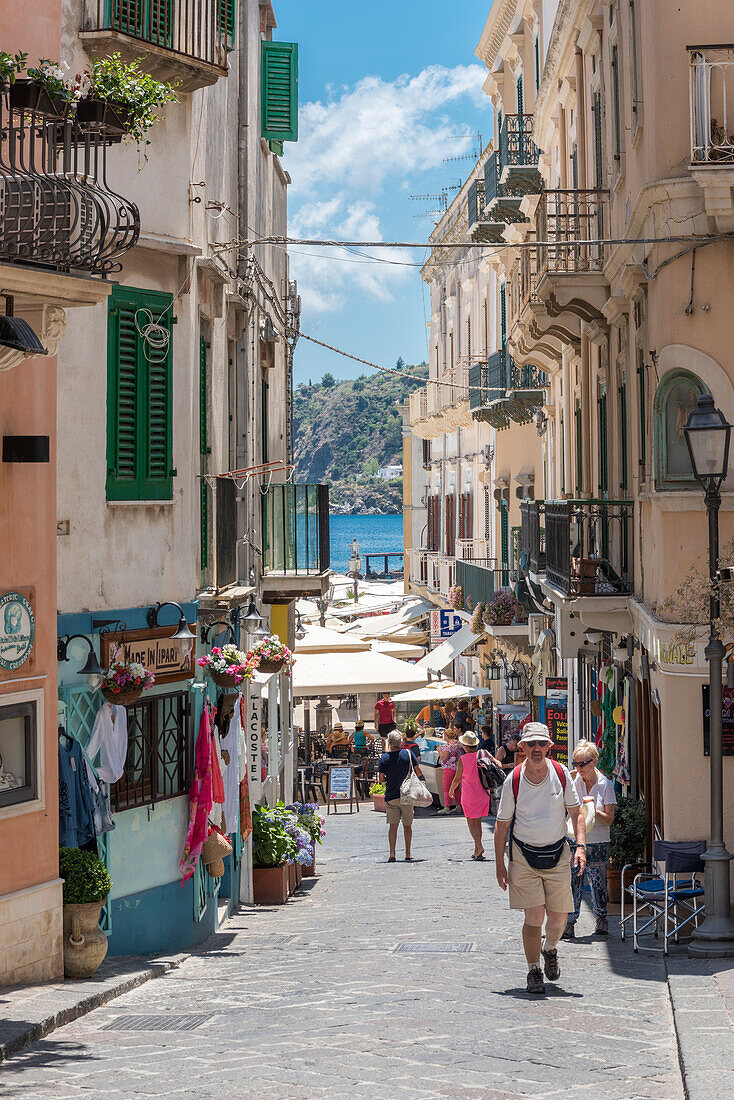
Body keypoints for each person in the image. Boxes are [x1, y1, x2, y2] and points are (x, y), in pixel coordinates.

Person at [494, 723, 585, 996]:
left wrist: (580, 846)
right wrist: (500, 863)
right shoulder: (515, 779)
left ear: (549, 746)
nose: (536, 749)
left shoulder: (560, 775)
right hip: (523, 854)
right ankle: (534, 970)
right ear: (522, 747)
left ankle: (550, 948)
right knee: (534, 915)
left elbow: (577, 813)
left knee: (558, 919)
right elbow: (501, 825)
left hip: (557, 853)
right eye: (531, 744)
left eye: (541, 744)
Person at [563, 739, 617, 939]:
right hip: (575, 839)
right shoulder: (572, 781)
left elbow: (610, 819)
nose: (579, 768)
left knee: (598, 883)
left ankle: (601, 919)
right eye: (576, 763)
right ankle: (570, 923)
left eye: (582, 763)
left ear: (594, 761)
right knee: (573, 882)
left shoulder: (605, 785)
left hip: (598, 841)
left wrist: (593, 810)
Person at [378, 730, 425, 862]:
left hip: (392, 795)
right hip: (407, 795)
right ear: (401, 742)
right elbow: (419, 771)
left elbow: (381, 779)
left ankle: (392, 854)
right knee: (407, 826)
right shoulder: (408, 754)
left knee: (393, 826)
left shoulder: (384, 758)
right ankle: (408, 853)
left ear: (390, 743)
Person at [450, 730, 490, 859]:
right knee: (477, 821)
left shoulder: (463, 759)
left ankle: (479, 845)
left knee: (470, 821)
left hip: (469, 793)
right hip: (483, 792)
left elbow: (457, 778)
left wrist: (451, 790)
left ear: (465, 746)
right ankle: (477, 849)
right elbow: (497, 764)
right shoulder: (484, 754)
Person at [437, 726, 462, 814]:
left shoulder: (448, 745)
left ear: (446, 735)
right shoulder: (459, 744)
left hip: (449, 768)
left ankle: (447, 806)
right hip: (458, 768)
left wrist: (439, 751)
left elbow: (444, 758)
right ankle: (458, 806)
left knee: (447, 788)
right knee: (456, 788)